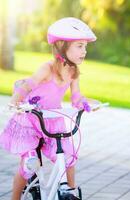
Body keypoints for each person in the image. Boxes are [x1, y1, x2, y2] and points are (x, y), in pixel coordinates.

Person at [0, 17, 96, 200]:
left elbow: (76, 95)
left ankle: (70, 191)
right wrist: (14, 101)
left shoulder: (73, 72)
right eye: (80, 46)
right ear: (62, 46)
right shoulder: (47, 68)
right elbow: (28, 85)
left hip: (52, 120)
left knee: (68, 157)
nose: (84, 51)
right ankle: (14, 198)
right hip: (31, 119)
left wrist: (84, 102)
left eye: (85, 46)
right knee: (29, 164)